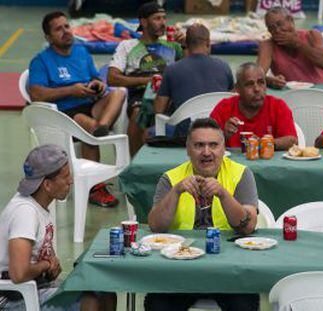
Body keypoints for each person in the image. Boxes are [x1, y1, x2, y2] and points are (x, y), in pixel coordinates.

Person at [146, 118, 259, 310]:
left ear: (223, 149)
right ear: (188, 149)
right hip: (179, 269)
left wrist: (224, 195)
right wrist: (176, 191)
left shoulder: (241, 174)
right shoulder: (171, 178)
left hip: (230, 270)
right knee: (157, 304)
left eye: (213, 145)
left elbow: (248, 226)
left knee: (245, 305)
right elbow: (156, 227)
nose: (207, 152)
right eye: (199, 145)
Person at [0, 145, 116, 310]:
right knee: (91, 301)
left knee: (104, 291)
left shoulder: (39, 206)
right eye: (66, 176)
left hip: (36, 287)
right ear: (47, 185)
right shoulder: (25, 213)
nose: (71, 181)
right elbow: (18, 274)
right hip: (12, 299)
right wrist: (45, 265)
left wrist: (51, 267)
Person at [28, 11, 123, 207]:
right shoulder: (41, 61)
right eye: (58, 29)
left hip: (89, 103)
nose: (65, 31)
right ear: (48, 37)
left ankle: (102, 126)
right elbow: (36, 94)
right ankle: (96, 187)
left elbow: (96, 77)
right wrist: (71, 90)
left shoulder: (82, 52)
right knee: (82, 121)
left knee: (118, 93)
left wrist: (98, 85)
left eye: (66, 26)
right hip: (62, 113)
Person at [107, 1, 184, 154]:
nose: (163, 23)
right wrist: (147, 81)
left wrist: (185, 44)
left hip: (168, 94)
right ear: (143, 22)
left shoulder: (173, 45)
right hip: (140, 94)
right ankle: (135, 163)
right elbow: (112, 78)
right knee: (138, 112)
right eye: (157, 18)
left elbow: (190, 69)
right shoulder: (127, 46)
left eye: (164, 18)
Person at [154, 23, 234, 136]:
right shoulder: (224, 67)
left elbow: (159, 109)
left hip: (185, 136)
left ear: (186, 44)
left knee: (148, 133)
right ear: (208, 43)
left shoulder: (172, 70)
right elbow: (231, 100)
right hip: (218, 133)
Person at [210, 62, 297, 149]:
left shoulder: (277, 106)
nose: (257, 89)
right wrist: (224, 136)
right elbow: (207, 142)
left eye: (261, 82)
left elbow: (292, 141)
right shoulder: (224, 107)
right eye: (249, 84)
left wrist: (264, 143)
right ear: (237, 88)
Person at [257, 6, 323, 89]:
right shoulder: (268, 45)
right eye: (271, 28)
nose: (277, 30)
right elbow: (256, 76)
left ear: (290, 20)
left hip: (321, 91)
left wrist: (297, 43)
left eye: (280, 24)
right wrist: (270, 81)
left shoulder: (312, 36)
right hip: (290, 94)